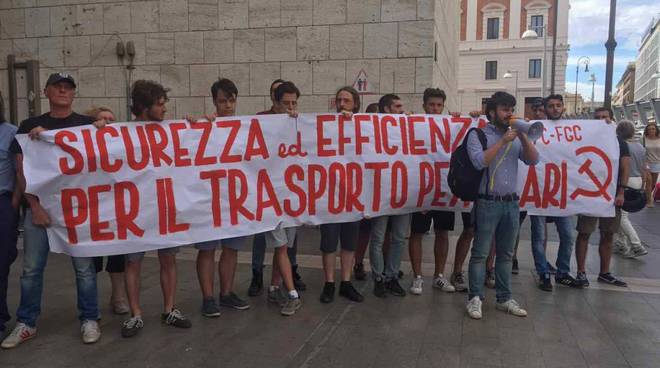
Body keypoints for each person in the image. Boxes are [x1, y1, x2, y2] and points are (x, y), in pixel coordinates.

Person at [2, 73, 101, 348]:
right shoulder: (29, 126)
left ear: (73, 94)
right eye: (57, 86)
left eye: (68, 87)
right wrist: (34, 206)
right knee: (32, 269)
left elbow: (108, 156)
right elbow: (22, 169)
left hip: (77, 211)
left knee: (84, 267)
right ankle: (27, 322)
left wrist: (105, 126)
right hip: (40, 211)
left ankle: (90, 318)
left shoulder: (86, 125)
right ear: (45, 91)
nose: (62, 90)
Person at [120, 80, 192, 338]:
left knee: (168, 258)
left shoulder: (172, 131)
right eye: (160, 105)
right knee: (133, 263)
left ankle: (169, 309)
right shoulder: (122, 133)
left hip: (164, 206)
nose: (164, 110)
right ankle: (135, 314)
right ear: (143, 106)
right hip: (136, 209)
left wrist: (195, 127)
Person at [465, 91, 539, 320]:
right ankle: (475, 298)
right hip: (487, 202)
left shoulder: (516, 136)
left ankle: (504, 298)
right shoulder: (478, 134)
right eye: (504, 109)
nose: (509, 114)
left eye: (511, 109)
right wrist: (503, 142)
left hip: (511, 204)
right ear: (492, 112)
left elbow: (533, 160)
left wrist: (524, 136)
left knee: (506, 254)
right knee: (480, 253)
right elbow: (478, 162)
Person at [193, 79, 250, 317]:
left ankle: (226, 293)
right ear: (214, 102)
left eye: (231, 100)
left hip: (235, 199)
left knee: (231, 248)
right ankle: (208, 297)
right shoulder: (203, 126)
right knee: (207, 249)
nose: (228, 105)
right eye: (222, 101)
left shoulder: (247, 126)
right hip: (209, 198)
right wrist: (191, 125)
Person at [408, 88, 474, 295]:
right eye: (431, 105)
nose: (435, 109)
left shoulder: (450, 125)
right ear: (424, 106)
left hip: (444, 189)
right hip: (422, 189)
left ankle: (439, 276)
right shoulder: (414, 125)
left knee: (443, 233)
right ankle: (417, 277)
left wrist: (472, 119)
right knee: (417, 233)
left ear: (443, 106)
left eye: (438, 105)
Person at [249, 79, 305, 296]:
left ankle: (274, 286)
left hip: (290, 194)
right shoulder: (260, 121)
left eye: (294, 104)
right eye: (286, 104)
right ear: (276, 102)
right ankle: (288, 291)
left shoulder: (300, 122)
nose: (291, 108)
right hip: (269, 194)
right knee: (278, 245)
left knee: (284, 245)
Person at [574, 107, 631, 288]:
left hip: (611, 196)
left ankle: (604, 272)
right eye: (597, 117)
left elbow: (625, 168)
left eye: (604, 117)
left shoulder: (619, 142)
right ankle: (581, 272)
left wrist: (621, 191)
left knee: (608, 235)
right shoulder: (587, 139)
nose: (601, 120)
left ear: (611, 119)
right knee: (584, 233)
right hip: (589, 195)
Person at [318, 87, 364, 304]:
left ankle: (345, 282)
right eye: (338, 100)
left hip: (353, 195)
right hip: (329, 195)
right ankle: (329, 283)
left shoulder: (364, 125)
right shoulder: (325, 125)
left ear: (355, 103)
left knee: (348, 243)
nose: (341, 103)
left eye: (346, 100)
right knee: (328, 243)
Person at [83, 106, 130, 316]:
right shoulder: (84, 144)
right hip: (92, 208)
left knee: (118, 257)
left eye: (112, 119)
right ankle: (91, 304)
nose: (108, 123)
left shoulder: (120, 144)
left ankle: (118, 298)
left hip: (116, 207)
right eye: (103, 119)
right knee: (91, 260)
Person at [529, 95, 578, 291]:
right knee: (538, 236)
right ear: (545, 108)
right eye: (551, 106)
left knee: (567, 235)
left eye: (559, 105)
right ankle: (543, 273)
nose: (555, 109)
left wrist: (607, 124)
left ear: (563, 107)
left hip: (561, 193)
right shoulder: (535, 128)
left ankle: (562, 272)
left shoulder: (575, 129)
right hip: (538, 190)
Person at [369, 94, 408, 298]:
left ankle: (391, 275)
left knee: (399, 238)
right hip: (381, 192)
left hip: (403, 192)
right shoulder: (373, 128)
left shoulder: (409, 126)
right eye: (398, 106)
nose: (402, 109)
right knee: (378, 237)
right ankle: (378, 277)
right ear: (386, 109)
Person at [353, 104, 380, 281]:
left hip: (382, 191)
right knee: (363, 231)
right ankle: (358, 262)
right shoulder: (358, 135)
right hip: (363, 191)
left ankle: (381, 265)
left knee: (382, 233)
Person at [614, 120, 648, 258]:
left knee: (621, 216)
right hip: (638, 180)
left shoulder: (622, 145)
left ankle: (636, 245)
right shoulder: (640, 146)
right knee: (623, 214)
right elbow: (644, 167)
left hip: (626, 181)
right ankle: (622, 243)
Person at [0, 92, 18, 339]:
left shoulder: (12, 133)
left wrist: (13, 205)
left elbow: (22, 173)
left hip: (2, 204)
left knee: (1, 263)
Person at [642, 123, 660, 207]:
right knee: (649, 182)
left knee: (653, 183)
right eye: (649, 129)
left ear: (656, 130)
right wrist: (644, 162)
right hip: (647, 163)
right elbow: (641, 151)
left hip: (657, 163)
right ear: (647, 131)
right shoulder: (644, 139)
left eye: (653, 129)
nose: (651, 130)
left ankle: (645, 196)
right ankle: (649, 201)